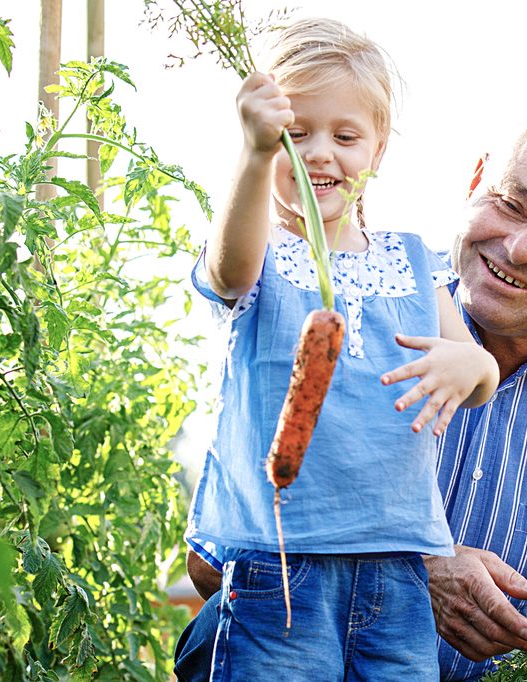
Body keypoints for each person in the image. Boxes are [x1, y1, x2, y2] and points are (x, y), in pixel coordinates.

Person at [176, 97, 527, 682]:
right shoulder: (355, 298)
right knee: (221, 632)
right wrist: (412, 568)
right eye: (511, 204)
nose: (523, 249)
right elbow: (209, 567)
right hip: (327, 652)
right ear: (476, 182)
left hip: (509, 673)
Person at [185, 17, 499, 681]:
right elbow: (227, 273)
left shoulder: (412, 262)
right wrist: (252, 154)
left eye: (345, 135)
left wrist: (466, 364)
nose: (318, 153)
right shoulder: (262, 255)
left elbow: (481, 371)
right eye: (294, 136)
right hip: (281, 562)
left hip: (399, 563)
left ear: (378, 150)